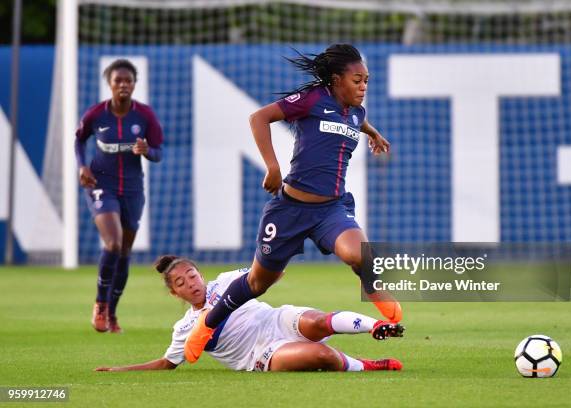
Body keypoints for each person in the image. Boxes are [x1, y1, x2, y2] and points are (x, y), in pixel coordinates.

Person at [185, 44, 401, 361]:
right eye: (357, 80)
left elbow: (358, 121)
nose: (363, 86)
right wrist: (272, 166)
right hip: (290, 210)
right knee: (258, 283)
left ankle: (373, 290)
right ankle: (207, 324)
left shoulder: (357, 112)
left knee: (359, 255)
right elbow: (259, 117)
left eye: (367, 80)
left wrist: (373, 134)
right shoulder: (313, 99)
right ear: (337, 79)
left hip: (331, 209)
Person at [95, 256, 404, 372]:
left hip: (276, 319)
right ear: (174, 293)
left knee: (318, 322)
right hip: (262, 353)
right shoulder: (186, 327)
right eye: (181, 283)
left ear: (200, 274)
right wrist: (118, 370)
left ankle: (375, 325)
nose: (190, 283)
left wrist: (274, 261)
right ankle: (365, 365)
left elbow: (266, 273)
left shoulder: (228, 280)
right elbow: (166, 363)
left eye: (192, 275)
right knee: (320, 356)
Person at [75, 59, 164, 333]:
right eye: (118, 80)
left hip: (133, 189)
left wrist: (146, 150)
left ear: (135, 84)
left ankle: (112, 314)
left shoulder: (145, 116)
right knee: (112, 243)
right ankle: (100, 305)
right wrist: (82, 166)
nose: (123, 85)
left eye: (128, 80)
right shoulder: (96, 114)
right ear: (110, 84)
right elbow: (79, 139)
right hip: (102, 183)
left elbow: (159, 152)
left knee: (124, 253)